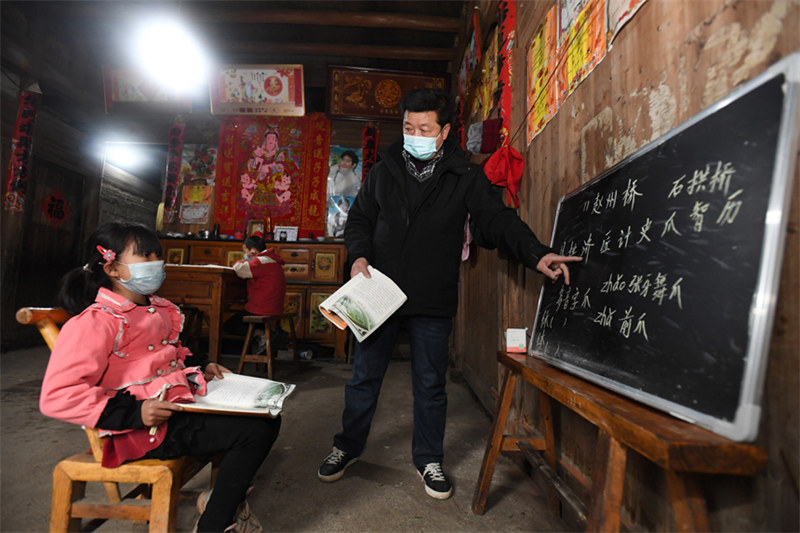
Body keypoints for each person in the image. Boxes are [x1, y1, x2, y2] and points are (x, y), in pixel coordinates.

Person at [316, 88, 582, 500]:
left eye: (425, 129)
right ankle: (346, 446)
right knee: (364, 377)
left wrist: (537, 253)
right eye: (409, 127)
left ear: (443, 133)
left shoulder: (465, 176)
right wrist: (359, 256)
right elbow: (360, 220)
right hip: (377, 292)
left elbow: (497, 220)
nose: (414, 135)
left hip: (432, 296)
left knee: (430, 383)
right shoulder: (384, 170)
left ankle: (428, 459)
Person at [39, 222, 281, 532]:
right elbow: (58, 395)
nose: (156, 263)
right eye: (145, 256)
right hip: (140, 429)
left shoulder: (155, 308)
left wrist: (204, 365)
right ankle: (215, 522)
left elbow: (172, 351)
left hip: (175, 408)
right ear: (112, 268)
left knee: (267, 415)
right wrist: (136, 412)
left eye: (157, 254)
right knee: (253, 432)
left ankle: (221, 501)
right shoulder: (96, 322)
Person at [226, 232, 288, 353]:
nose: (245, 255)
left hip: (262, 309)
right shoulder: (272, 260)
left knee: (229, 325)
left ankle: (261, 335)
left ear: (253, 251)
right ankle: (270, 334)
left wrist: (239, 262)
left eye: (245, 251)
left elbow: (239, 269)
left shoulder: (261, 261)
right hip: (274, 307)